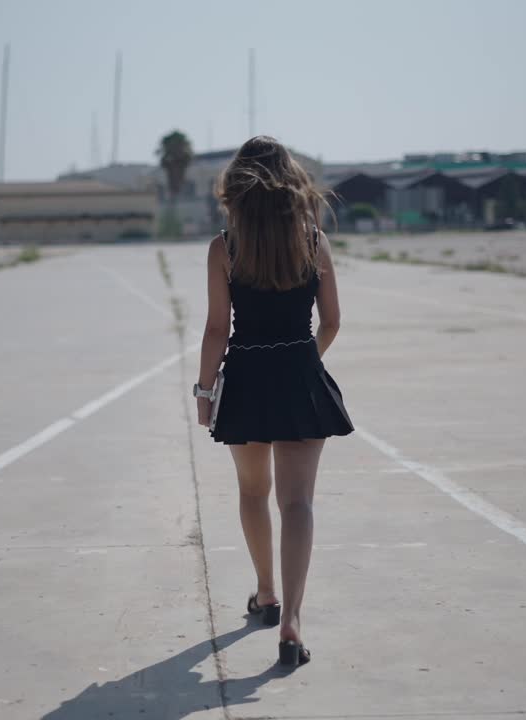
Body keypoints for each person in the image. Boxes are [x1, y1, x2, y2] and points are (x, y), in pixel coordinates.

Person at [194, 136, 354, 667]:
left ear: (237, 189)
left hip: (244, 379)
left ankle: (266, 593)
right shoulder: (314, 241)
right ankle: (291, 624)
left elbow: (218, 328)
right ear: (292, 185)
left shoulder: (225, 248)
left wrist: (204, 390)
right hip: (299, 379)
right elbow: (330, 321)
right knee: (298, 503)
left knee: (253, 491)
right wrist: (305, 360)